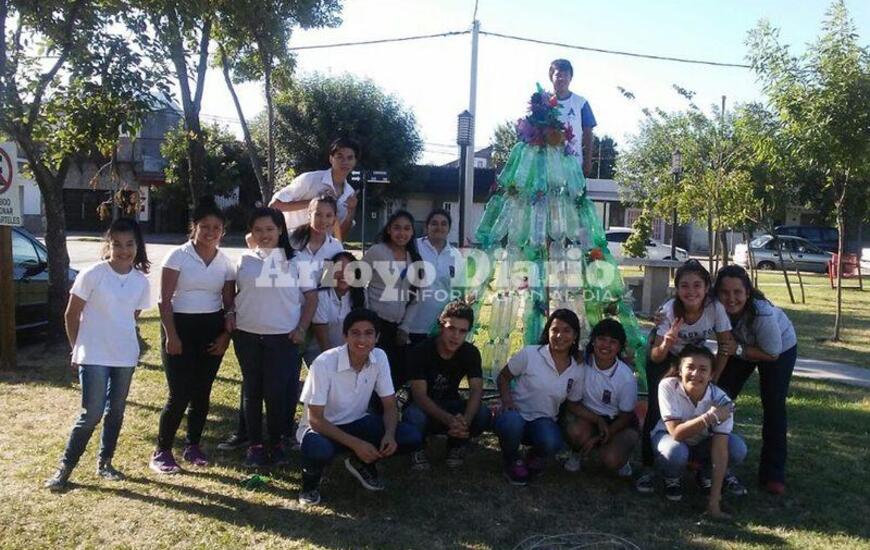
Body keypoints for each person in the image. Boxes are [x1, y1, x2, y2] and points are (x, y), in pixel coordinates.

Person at [45, 218, 151, 492]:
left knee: (115, 411)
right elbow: (71, 314)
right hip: (93, 354)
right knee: (91, 413)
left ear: (137, 246)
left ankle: (105, 462)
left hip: (125, 356)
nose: (123, 250)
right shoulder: (93, 274)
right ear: (108, 244)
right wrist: (76, 348)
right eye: (117, 244)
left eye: (129, 244)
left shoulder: (141, 281)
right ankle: (65, 468)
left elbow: (131, 317)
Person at [296, 308, 423, 506]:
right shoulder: (324, 363)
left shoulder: (379, 357)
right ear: (345, 336)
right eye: (355, 333)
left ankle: (361, 461)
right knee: (317, 449)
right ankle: (310, 484)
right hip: (323, 429)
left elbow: (390, 405)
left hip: (358, 422)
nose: (362, 339)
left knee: (409, 436)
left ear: (377, 337)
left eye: (368, 333)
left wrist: (389, 434)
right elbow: (316, 420)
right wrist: (356, 444)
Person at [150, 197, 236, 474]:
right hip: (180, 328)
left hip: (211, 328)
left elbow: (229, 305)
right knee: (180, 393)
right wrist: (171, 336)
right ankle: (162, 450)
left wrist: (225, 337)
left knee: (202, 392)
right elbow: (164, 300)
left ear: (223, 230)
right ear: (194, 227)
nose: (210, 232)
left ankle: (193, 445)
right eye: (204, 226)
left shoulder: (226, 263)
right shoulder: (177, 256)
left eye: (216, 227)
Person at [636, 259, 735, 494]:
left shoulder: (714, 308)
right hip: (667, 359)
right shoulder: (670, 310)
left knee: (705, 406)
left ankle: (703, 466)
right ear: (677, 288)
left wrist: (714, 377)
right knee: (655, 411)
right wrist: (667, 342)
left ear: (706, 286)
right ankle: (649, 467)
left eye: (697, 285)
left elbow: (725, 344)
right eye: (684, 286)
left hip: (696, 361)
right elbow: (656, 356)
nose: (691, 292)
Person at [230, 207, 317, 469]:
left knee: (278, 393)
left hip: (283, 338)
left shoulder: (298, 261)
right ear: (251, 232)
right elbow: (233, 293)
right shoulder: (244, 260)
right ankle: (255, 445)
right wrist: (230, 313)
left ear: (281, 229)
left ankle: (277, 442)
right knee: (253, 391)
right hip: (247, 336)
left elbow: (311, 299)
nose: (264, 234)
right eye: (258, 229)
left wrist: (301, 328)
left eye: (269, 229)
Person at [714, 265, 797, 495]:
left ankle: (773, 474)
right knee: (720, 395)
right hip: (741, 346)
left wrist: (739, 350)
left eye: (737, 292)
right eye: (724, 292)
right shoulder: (714, 307)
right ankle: (703, 456)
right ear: (717, 293)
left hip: (778, 348)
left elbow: (772, 353)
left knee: (773, 404)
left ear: (748, 292)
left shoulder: (762, 313)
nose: (731, 298)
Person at [651, 345, 748, 518]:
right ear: (679, 370)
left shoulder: (722, 400)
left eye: (703, 369)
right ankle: (671, 477)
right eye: (690, 367)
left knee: (737, 448)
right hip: (670, 439)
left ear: (711, 375)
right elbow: (676, 433)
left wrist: (714, 503)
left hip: (703, 444)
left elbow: (720, 451)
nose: (695, 374)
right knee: (675, 451)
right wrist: (709, 417)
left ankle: (706, 476)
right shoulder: (667, 385)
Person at [494, 309, 586, 486]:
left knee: (552, 442)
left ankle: (534, 456)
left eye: (567, 330)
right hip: (516, 414)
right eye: (555, 330)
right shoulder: (530, 354)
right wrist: (507, 401)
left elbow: (574, 403)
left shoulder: (578, 367)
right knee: (511, 423)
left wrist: (597, 420)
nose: (559, 335)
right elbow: (503, 377)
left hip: (543, 420)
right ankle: (511, 459)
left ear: (575, 335)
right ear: (547, 332)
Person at [403, 301, 490, 470]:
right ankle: (416, 447)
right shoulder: (420, 351)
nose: (456, 336)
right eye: (451, 328)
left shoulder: (470, 352)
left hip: (451, 404)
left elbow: (476, 390)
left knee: (482, 413)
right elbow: (420, 396)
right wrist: (450, 420)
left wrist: (465, 421)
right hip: (423, 407)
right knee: (414, 416)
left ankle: (457, 444)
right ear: (441, 326)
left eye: (462, 331)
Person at [562, 318, 639, 477]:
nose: (606, 345)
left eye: (612, 342)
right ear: (593, 341)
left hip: (618, 422)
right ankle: (576, 453)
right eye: (601, 339)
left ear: (619, 347)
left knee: (611, 460)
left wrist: (599, 437)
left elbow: (626, 417)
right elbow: (572, 404)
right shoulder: (582, 364)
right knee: (575, 431)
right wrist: (597, 420)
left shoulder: (626, 377)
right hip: (589, 416)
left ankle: (622, 460)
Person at [361, 210, 422, 388]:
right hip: (375, 324)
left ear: (412, 232)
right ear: (388, 230)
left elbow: (416, 297)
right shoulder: (376, 251)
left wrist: (405, 326)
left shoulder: (415, 259)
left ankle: (388, 410)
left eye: (406, 229)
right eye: (396, 228)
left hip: (398, 329)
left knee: (396, 374)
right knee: (372, 373)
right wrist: (367, 313)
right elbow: (358, 282)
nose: (401, 233)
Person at [268, 137, 360, 240]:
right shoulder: (310, 179)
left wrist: (350, 213)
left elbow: (339, 237)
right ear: (331, 159)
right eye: (340, 157)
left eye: (350, 158)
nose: (345, 162)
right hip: (291, 246)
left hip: (322, 252)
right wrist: (315, 202)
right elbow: (274, 206)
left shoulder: (350, 194)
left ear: (355, 162)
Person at [399, 209, 461, 344]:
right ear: (427, 227)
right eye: (434, 223)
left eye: (444, 224)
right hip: (411, 325)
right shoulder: (414, 246)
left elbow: (455, 289)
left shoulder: (456, 255)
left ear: (449, 228)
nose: (439, 227)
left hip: (440, 328)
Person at [549, 58, 597, 176]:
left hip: (573, 165)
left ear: (571, 78)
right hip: (546, 166)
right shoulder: (543, 102)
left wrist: (588, 161)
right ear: (551, 77)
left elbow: (588, 134)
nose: (562, 79)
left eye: (566, 75)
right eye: (558, 75)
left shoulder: (581, 103)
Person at [311, 251, 366, 352]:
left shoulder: (363, 295)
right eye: (339, 269)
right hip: (321, 353)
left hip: (352, 353)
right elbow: (322, 339)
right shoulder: (321, 295)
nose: (344, 275)